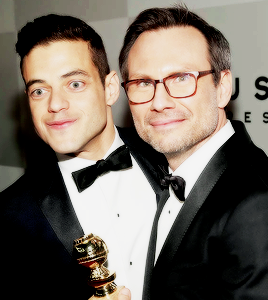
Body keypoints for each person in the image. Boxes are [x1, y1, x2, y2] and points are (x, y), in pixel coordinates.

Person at [0, 14, 167, 300]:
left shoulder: (170, 155)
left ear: (110, 88)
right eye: (39, 90)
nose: (54, 104)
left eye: (74, 84)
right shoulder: (10, 216)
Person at [119, 4, 268, 300]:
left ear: (223, 87)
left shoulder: (256, 203)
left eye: (182, 78)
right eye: (143, 82)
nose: (159, 101)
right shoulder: (152, 174)